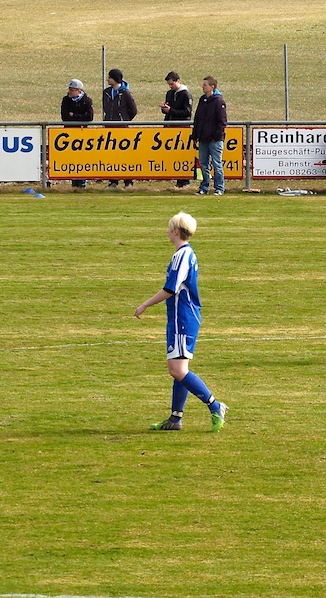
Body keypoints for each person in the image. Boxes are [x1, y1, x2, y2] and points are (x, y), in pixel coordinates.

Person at [134, 212, 228, 432]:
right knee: (180, 368)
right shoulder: (186, 254)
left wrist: (145, 304)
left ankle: (215, 405)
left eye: (169, 228)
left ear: (175, 231)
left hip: (182, 318)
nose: (167, 232)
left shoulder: (182, 256)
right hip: (183, 317)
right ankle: (175, 419)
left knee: (177, 370)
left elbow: (170, 288)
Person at [192, 76, 227, 196]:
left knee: (217, 164)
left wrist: (216, 136)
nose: (203, 87)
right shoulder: (203, 100)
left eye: (205, 85)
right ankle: (204, 187)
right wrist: (195, 135)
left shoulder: (218, 101)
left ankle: (219, 188)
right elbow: (197, 119)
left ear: (212, 87)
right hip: (203, 139)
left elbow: (222, 122)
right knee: (203, 164)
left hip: (214, 140)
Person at [103, 68, 138, 188]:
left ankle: (128, 181)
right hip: (109, 127)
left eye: (110, 77)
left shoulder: (126, 93)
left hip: (122, 128)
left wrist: (124, 120)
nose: (107, 79)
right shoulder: (106, 92)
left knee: (125, 155)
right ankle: (113, 180)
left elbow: (133, 110)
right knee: (111, 155)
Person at [161, 72, 193, 189]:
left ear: (178, 81)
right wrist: (164, 109)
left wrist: (171, 111)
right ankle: (178, 180)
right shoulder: (169, 93)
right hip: (171, 128)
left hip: (182, 128)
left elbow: (187, 112)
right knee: (174, 155)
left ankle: (185, 180)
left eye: (172, 84)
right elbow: (169, 110)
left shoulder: (186, 94)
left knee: (182, 154)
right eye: (169, 84)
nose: (170, 87)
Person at [61, 79, 94, 189]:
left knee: (82, 158)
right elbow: (65, 117)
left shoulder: (87, 101)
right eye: (69, 89)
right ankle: (74, 182)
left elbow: (89, 117)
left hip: (82, 135)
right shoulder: (66, 100)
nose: (69, 92)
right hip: (70, 134)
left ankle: (82, 182)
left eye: (72, 90)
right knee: (72, 158)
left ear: (79, 91)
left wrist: (73, 115)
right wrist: (79, 116)